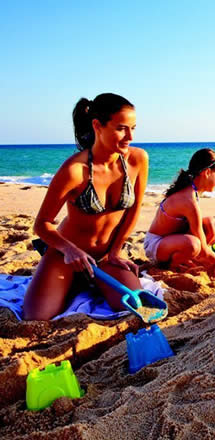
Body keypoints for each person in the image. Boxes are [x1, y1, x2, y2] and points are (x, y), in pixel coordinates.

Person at [23, 93, 149, 320]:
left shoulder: (137, 160)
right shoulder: (74, 171)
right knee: (36, 317)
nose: (130, 136)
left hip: (106, 257)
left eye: (133, 128)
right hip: (67, 255)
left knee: (134, 310)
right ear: (97, 126)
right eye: (122, 128)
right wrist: (69, 250)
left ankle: (88, 282)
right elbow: (41, 225)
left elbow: (134, 209)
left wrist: (115, 251)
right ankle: (70, 282)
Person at [145, 148, 215, 271]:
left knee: (211, 223)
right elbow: (202, 248)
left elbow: (193, 227)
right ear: (207, 172)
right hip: (156, 245)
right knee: (193, 245)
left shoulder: (193, 190)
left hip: (173, 239)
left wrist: (213, 240)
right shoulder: (188, 200)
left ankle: (190, 257)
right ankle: (170, 265)